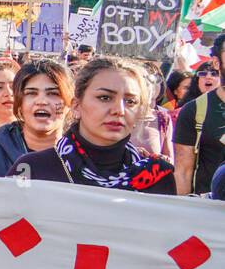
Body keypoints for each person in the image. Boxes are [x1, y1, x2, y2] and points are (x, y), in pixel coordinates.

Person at [11, 56, 176, 193]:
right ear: (76, 105)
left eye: (130, 101)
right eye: (104, 97)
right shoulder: (32, 169)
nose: (119, 110)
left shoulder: (159, 176)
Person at [172, 58, 224, 195]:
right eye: (203, 74)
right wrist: (182, 212)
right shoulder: (193, 110)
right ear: (217, 62)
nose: (208, 77)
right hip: (207, 206)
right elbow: (183, 172)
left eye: (213, 74)